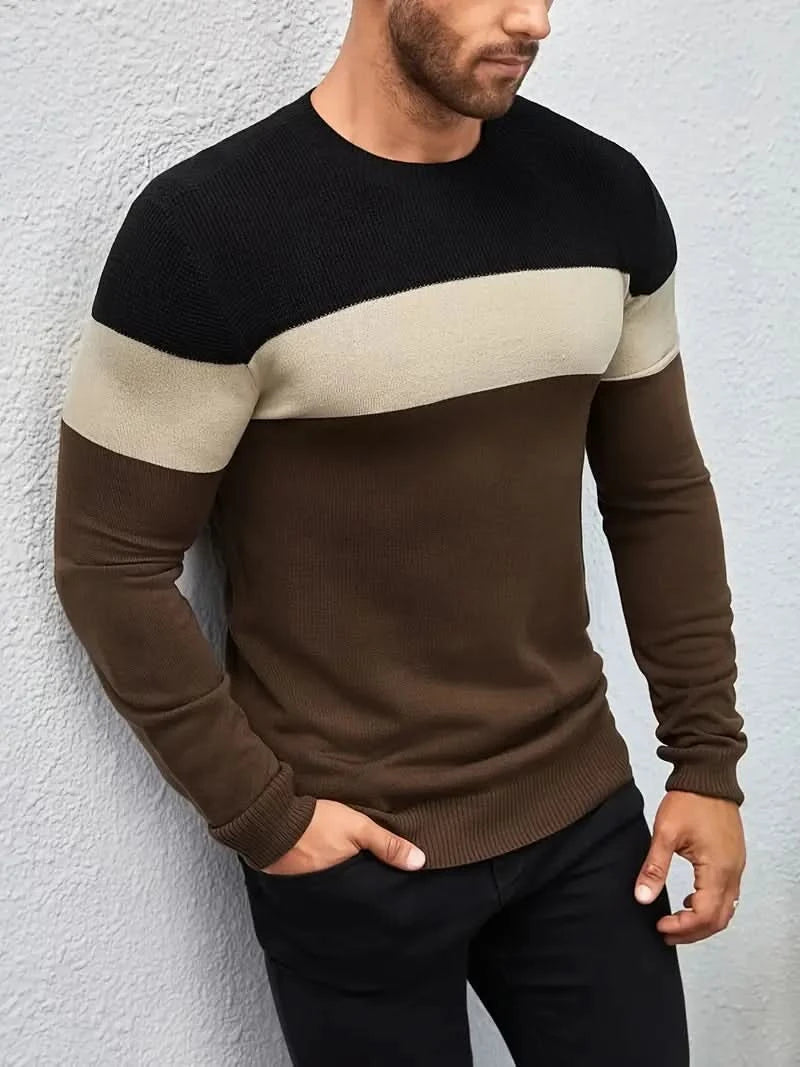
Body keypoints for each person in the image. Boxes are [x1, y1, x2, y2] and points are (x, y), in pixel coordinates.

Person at [52, 1, 748, 1063]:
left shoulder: (603, 198)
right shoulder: (205, 235)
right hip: (355, 860)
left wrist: (705, 760)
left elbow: (657, 493)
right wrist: (266, 817)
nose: (534, 20)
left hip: (583, 820)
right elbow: (109, 559)